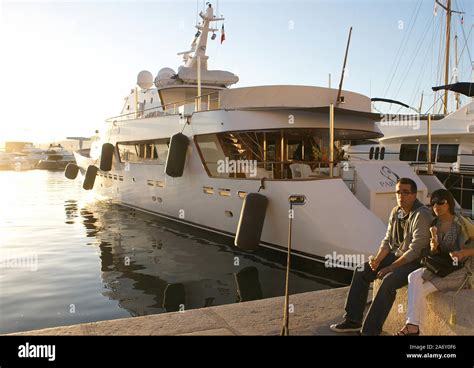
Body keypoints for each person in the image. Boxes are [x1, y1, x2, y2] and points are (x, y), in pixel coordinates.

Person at [330, 178, 432, 335]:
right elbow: (387, 241)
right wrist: (377, 260)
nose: (401, 196)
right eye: (398, 192)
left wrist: (391, 267)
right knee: (362, 270)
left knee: (388, 281)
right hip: (397, 256)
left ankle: (370, 331)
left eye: (406, 192)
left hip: (416, 261)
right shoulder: (395, 212)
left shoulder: (421, 214)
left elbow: (415, 250)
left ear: (414, 195)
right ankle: (353, 320)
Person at [395, 189, 474, 336]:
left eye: (440, 202)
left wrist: (463, 253)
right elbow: (438, 254)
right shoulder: (435, 223)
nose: (436, 206)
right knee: (413, 277)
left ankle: (416, 329)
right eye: (433, 204)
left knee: (420, 291)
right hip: (442, 267)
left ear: (449, 203)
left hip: (461, 271)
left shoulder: (461, 223)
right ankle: (414, 327)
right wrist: (434, 247)